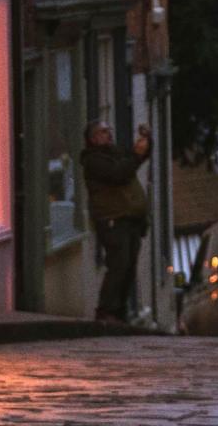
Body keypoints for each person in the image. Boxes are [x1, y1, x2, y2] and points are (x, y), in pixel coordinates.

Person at [80, 119, 153, 324]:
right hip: (112, 220)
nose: (109, 134)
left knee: (128, 265)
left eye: (109, 130)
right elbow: (119, 173)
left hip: (129, 219)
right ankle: (106, 310)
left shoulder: (114, 153)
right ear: (94, 138)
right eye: (104, 132)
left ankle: (119, 311)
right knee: (118, 264)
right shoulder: (94, 161)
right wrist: (136, 155)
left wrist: (146, 142)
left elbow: (133, 161)